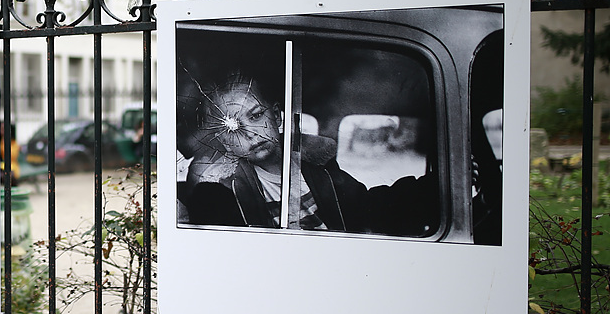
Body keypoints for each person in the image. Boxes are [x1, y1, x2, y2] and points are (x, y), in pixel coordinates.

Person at [179, 75, 436, 235]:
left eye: (256, 116)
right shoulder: (222, 192)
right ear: (224, 140)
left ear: (277, 116)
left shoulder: (318, 168)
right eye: (232, 127)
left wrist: (435, 188)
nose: (250, 134)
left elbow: (367, 208)